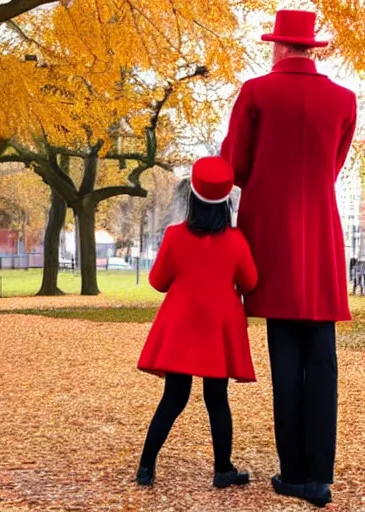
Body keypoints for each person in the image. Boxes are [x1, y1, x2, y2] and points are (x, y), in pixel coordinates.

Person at [220, 9, 357, 508]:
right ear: (312, 48)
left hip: (272, 233)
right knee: (322, 359)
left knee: (286, 359)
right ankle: (319, 475)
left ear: (279, 46)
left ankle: (293, 472)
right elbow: (334, 165)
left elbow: (235, 166)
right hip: (320, 232)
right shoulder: (344, 100)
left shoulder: (256, 92)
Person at [136, 156, 258, 488]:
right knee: (217, 399)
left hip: (180, 329)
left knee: (173, 398)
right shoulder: (235, 241)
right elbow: (250, 281)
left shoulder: (175, 236)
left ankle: (146, 468)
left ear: (192, 197)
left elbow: (158, 281)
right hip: (218, 331)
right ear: (225, 204)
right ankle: (223, 469)